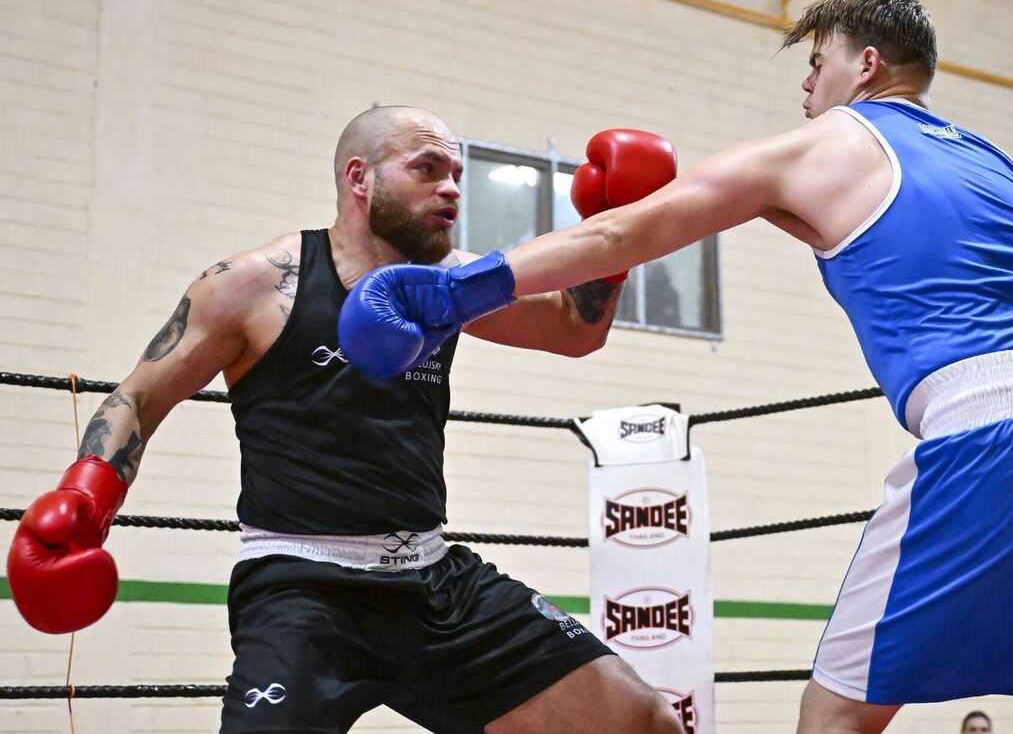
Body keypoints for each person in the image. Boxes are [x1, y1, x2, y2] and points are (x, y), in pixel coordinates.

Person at [344, 0, 1013, 734]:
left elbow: (618, 231)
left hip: (999, 434)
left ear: (865, 65)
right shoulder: (991, 160)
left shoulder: (819, 147)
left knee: (831, 716)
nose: (806, 85)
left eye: (816, 63)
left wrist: (456, 292)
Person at [6, 106, 684, 734]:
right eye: (426, 169)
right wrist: (86, 493)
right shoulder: (257, 283)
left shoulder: (450, 281)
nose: (451, 188)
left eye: (455, 174)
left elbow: (574, 330)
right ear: (359, 178)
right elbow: (139, 397)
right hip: (302, 589)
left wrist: (617, 230)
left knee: (643, 722)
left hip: (430, 581)